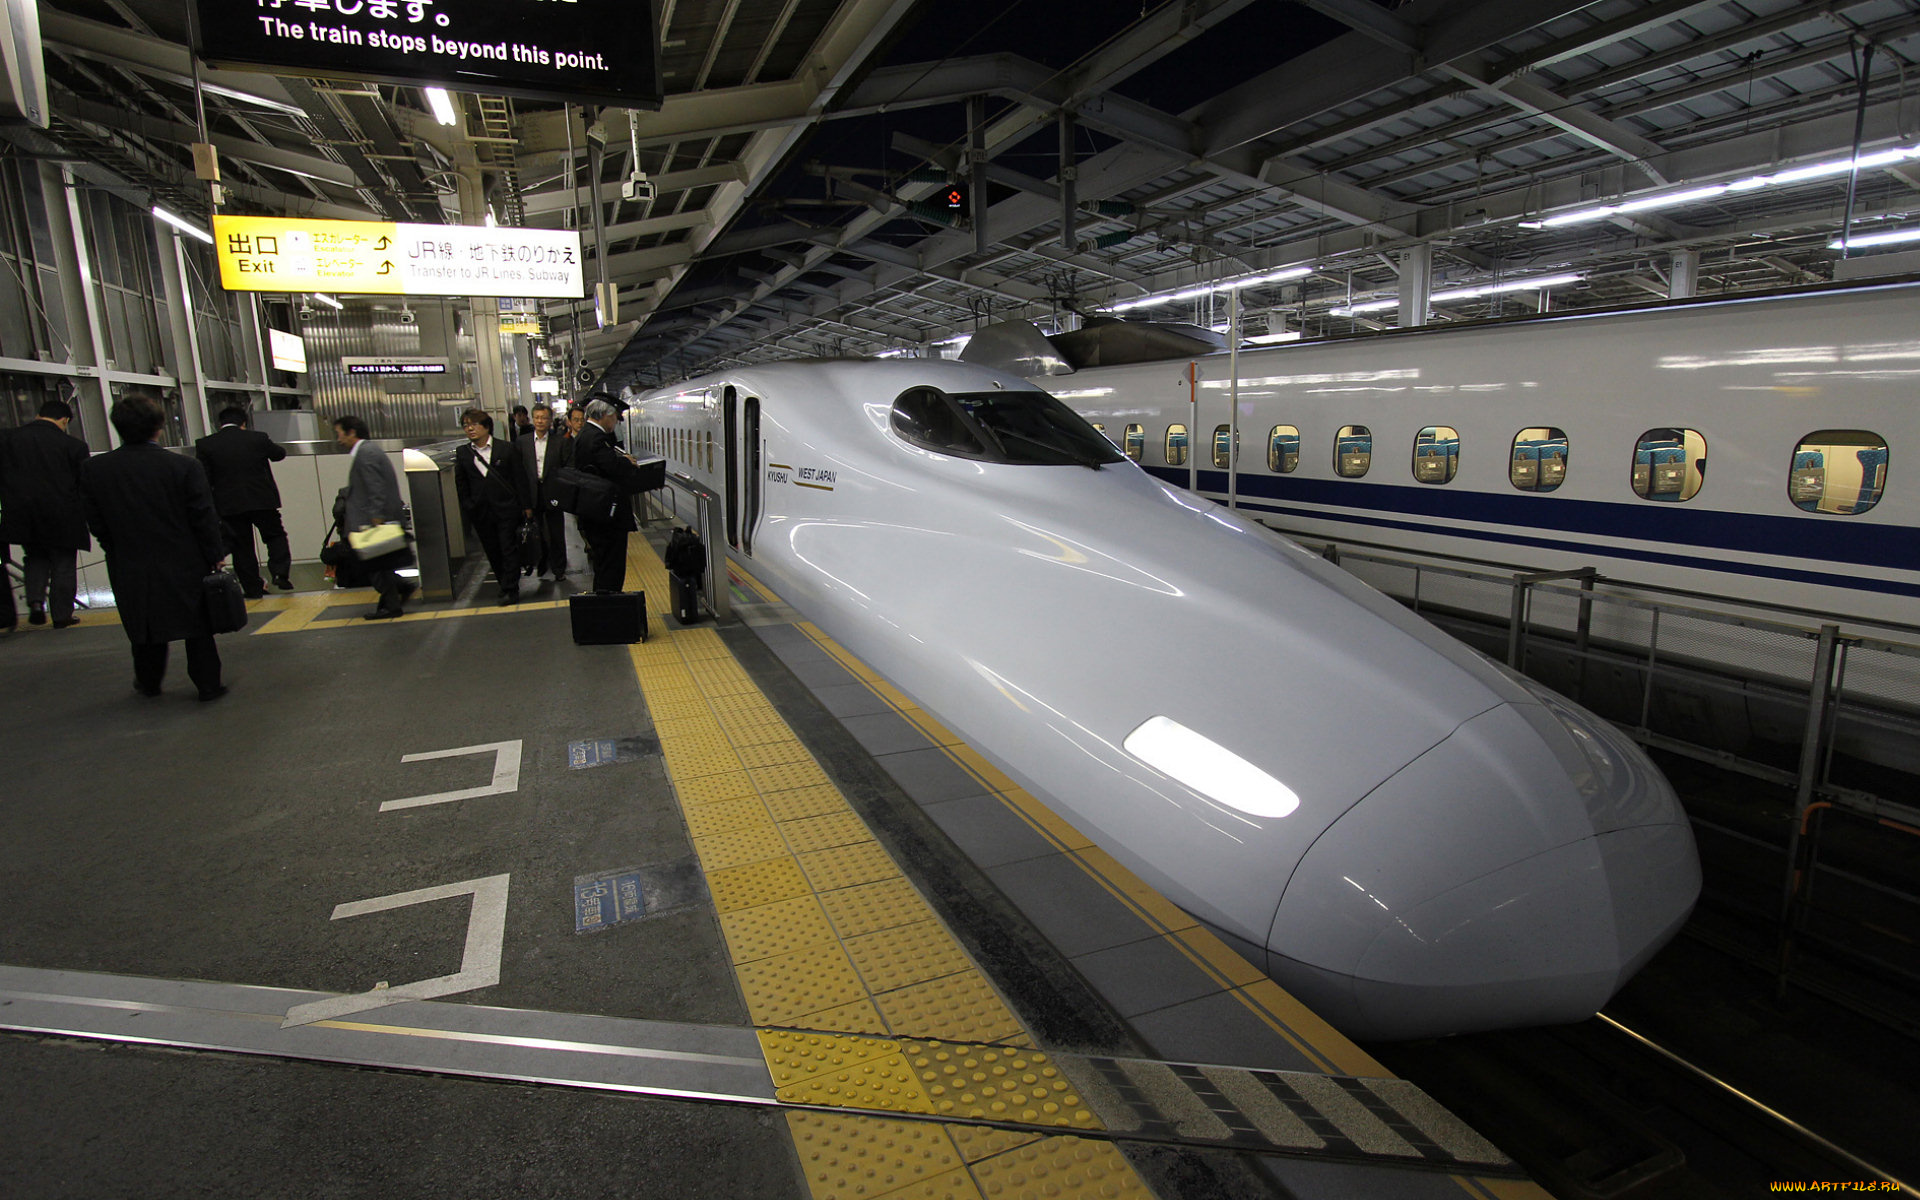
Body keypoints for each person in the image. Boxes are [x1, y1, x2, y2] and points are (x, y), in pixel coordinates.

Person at [79, 393, 228, 700]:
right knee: (197, 624)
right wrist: (215, 556)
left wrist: (115, 548)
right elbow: (203, 517)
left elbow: (96, 520)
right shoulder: (185, 467)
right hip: (185, 558)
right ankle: (208, 684)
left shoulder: (95, 469)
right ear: (159, 426)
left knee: (143, 621)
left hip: (128, 559)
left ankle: (149, 682)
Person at [0, 398, 92, 629]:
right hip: (63, 515)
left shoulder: (9, 440)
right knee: (63, 563)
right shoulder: (74, 446)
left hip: (23, 515)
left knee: (35, 558)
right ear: (64, 420)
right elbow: (84, 485)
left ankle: (36, 603)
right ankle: (61, 615)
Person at [194, 405, 291, 599]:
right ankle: (280, 573)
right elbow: (279, 454)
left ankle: (252, 589)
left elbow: (204, 477)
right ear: (243, 423)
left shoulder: (206, 444)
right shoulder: (258, 438)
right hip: (262, 500)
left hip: (229, 505)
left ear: (218, 424)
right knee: (274, 536)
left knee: (242, 547)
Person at [333, 414, 416, 620]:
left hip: (372, 521)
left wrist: (376, 518)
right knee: (379, 566)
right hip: (374, 519)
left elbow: (375, 487)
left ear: (351, 432)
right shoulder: (368, 451)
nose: (338, 439)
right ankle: (396, 596)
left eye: (339, 433)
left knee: (377, 567)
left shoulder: (366, 453)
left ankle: (394, 602)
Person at [454, 408, 530, 605]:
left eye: (474, 424)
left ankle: (511, 588)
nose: (470, 429)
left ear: (486, 427)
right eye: (465, 425)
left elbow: (519, 478)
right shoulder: (463, 453)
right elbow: (461, 483)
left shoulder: (506, 449)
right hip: (481, 512)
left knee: (508, 548)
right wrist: (468, 506)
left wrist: (526, 505)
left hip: (506, 509)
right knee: (492, 550)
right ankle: (504, 583)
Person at [573, 398, 637, 593]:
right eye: (614, 418)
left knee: (604, 566)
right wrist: (628, 462)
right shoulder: (596, 438)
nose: (615, 423)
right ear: (605, 416)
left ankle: (605, 606)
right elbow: (612, 467)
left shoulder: (585, 434)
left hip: (595, 513)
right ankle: (610, 608)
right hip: (606, 516)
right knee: (611, 567)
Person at [516, 402, 569, 582]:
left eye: (544, 418)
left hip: (553, 492)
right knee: (536, 531)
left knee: (556, 532)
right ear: (532, 419)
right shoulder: (522, 442)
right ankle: (541, 563)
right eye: (537, 417)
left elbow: (565, 469)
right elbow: (520, 473)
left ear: (550, 420)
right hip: (532, 492)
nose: (540, 421)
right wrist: (524, 502)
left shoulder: (559, 442)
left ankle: (559, 568)